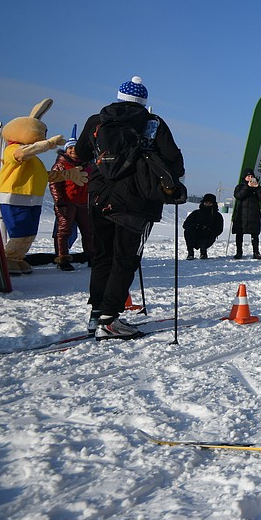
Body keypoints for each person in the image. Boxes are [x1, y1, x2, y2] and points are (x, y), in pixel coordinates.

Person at [75, 76, 184, 338]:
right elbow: (174, 161)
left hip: (99, 196)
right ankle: (109, 321)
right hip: (135, 201)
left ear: (119, 96)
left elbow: (80, 155)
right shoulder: (153, 123)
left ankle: (96, 314)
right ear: (143, 101)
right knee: (124, 260)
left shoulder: (96, 121)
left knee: (102, 257)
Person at [49, 135, 94, 271]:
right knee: (63, 231)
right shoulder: (61, 165)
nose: (73, 150)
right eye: (70, 148)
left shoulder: (87, 164)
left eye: (76, 147)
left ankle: (92, 257)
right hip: (67, 203)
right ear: (65, 149)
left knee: (89, 232)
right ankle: (62, 259)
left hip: (83, 203)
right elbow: (54, 184)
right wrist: (59, 202)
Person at [231, 170, 261, 260]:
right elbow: (238, 196)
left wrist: (258, 188)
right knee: (239, 233)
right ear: (244, 177)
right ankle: (239, 252)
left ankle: (256, 252)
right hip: (241, 214)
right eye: (248, 176)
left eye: (252, 176)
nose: (250, 178)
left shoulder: (257, 187)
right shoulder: (240, 186)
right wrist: (248, 187)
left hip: (253, 214)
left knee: (255, 234)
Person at [183, 193, 223, 259]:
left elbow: (219, 229)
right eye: (206, 202)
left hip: (207, 237)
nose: (207, 205)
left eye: (210, 203)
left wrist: (210, 232)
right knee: (187, 232)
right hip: (194, 235)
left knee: (205, 238)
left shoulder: (217, 216)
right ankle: (190, 253)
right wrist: (195, 226)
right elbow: (186, 224)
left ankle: (203, 252)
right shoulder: (196, 213)